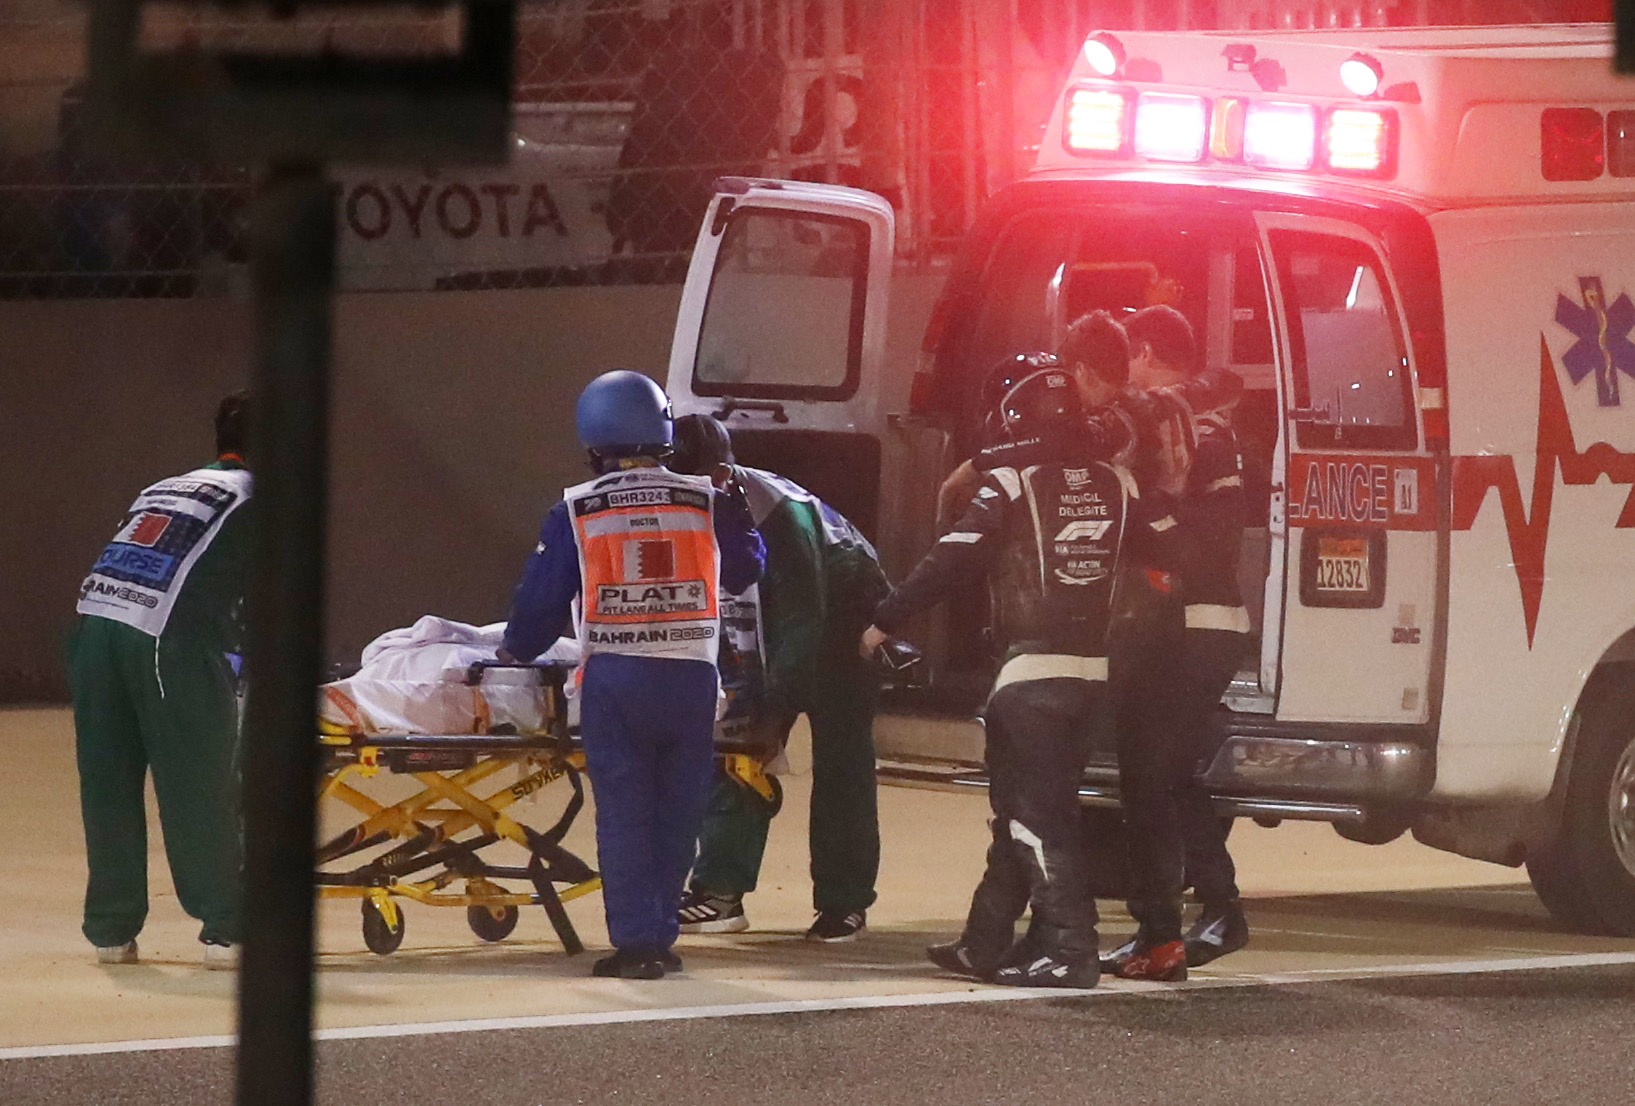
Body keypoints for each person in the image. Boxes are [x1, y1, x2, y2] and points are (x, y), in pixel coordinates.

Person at [941, 310, 1243, 982]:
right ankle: (1068, 932)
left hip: (1181, 621)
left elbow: (1069, 442)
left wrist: (976, 464)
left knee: (1135, 781)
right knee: (1140, 779)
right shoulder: (1189, 414)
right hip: (1172, 621)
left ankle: (1154, 930)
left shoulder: (1141, 416)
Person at [864, 358, 1181, 989]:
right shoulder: (1122, 483)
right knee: (1027, 812)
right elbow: (1169, 558)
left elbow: (950, 559)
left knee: (1035, 820)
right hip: (1095, 678)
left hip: (1030, 677)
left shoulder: (1010, 484)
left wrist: (883, 621)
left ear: (1015, 414)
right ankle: (984, 945)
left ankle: (1069, 950)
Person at [499, 370, 763, 979]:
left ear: (593, 441)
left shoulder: (577, 509)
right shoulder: (708, 498)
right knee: (679, 806)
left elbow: (538, 607)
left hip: (616, 679)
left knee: (625, 809)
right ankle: (662, 934)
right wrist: (738, 511)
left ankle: (637, 942)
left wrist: (516, 650)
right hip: (692, 678)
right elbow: (746, 570)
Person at [670, 414, 889, 943]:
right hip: (774, 615)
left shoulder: (777, 516)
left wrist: (777, 709)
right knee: (736, 744)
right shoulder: (682, 499)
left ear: (724, 473)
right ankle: (720, 892)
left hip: (845, 613)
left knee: (841, 758)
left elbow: (802, 619)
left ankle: (845, 901)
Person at [69, 390, 254, 968]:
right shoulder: (263, 498)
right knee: (198, 778)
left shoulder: (167, 485)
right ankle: (227, 927)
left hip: (93, 627)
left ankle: (110, 930)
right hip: (163, 638)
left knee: (108, 781)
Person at [1114, 304, 1252, 969]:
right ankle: (1195, 914)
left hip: (1203, 623)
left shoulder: (1206, 437)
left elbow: (1218, 537)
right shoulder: (1166, 427)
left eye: (1129, 357)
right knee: (1165, 775)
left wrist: (1160, 507)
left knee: (1160, 775)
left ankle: (1204, 914)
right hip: (1178, 625)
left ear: (1143, 352)